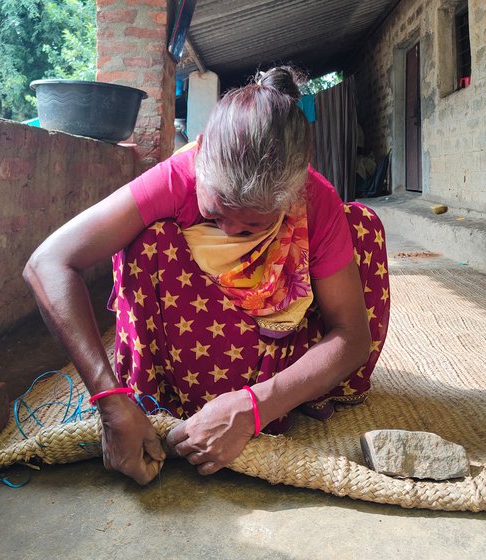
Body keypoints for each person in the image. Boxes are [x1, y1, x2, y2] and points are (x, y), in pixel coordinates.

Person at [23, 66, 390, 486]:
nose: (232, 231)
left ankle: (272, 400)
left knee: (360, 225)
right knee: (150, 239)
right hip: (191, 357)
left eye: (252, 226)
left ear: (292, 197)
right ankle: (174, 403)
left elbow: (352, 336)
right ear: (200, 163)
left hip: (286, 353)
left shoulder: (314, 200)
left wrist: (256, 406)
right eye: (216, 215)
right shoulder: (179, 176)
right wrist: (108, 399)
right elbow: (48, 262)